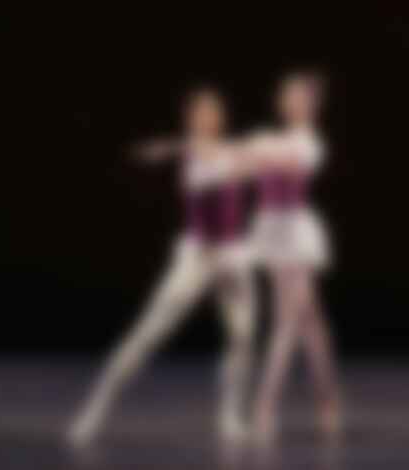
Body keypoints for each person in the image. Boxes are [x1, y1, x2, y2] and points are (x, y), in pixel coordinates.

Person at [68, 88, 256, 447]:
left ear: (221, 117)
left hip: (233, 255)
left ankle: (230, 417)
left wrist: (174, 147)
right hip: (198, 256)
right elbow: (206, 158)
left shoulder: (226, 151)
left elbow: (247, 162)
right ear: (190, 118)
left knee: (243, 336)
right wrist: (177, 147)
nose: (208, 117)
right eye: (201, 112)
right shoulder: (195, 157)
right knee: (149, 332)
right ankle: (94, 408)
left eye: (214, 111)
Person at [247, 72, 341, 443]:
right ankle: (328, 401)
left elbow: (288, 162)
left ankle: (264, 406)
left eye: (299, 96)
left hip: (296, 233)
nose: (291, 101)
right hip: (271, 231)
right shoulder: (274, 138)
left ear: (312, 104)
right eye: (287, 95)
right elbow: (244, 165)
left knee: (287, 320)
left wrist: (257, 149)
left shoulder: (310, 142)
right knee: (312, 325)